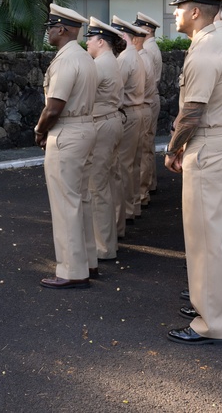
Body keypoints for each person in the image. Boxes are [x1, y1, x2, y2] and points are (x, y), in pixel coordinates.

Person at [164, 0, 222, 346]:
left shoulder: (207, 49)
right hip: (218, 142)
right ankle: (220, 307)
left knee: (204, 238)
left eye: (179, 6)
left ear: (195, 12)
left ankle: (211, 322)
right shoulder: (217, 39)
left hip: (207, 145)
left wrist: (173, 149)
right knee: (216, 233)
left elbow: (192, 111)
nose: (174, 12)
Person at [34, 4, 98, 289]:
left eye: (51, 26)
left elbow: (54, 107)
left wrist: (39, 129)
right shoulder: (84, 58)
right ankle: (88, 261)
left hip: (68, 132)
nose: (48, 31)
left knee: (65, 203)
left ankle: (72, 270)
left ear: (62, 29)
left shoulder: (64, 60)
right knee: (81, 199)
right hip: (85, 128)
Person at [84, 17, 125, 261]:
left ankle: (104, 246)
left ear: (101, 41)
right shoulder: (111, 61)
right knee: (109, 181)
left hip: (102, 124)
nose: (86, 43)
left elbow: (82, 95)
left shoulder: (100, 64)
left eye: (89, 39)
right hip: (112, 120)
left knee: (96, 186)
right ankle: (112, 234)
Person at [111, 15, 147, 233]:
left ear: (124, 36)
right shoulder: (138, 56)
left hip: (128, 113)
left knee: (123, 166)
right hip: (138, 111)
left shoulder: (125, 58)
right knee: (132, 163)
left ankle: (123, 212)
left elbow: (115, 88)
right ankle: (132, 207)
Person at [133, 12, 163, 205]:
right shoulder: (151, 48)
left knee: (144, 147)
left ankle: (144, 188)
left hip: (147, 99)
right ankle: (149, 183)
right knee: (147, 145)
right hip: (150, 98)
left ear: (147, 30)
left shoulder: (148, 50)